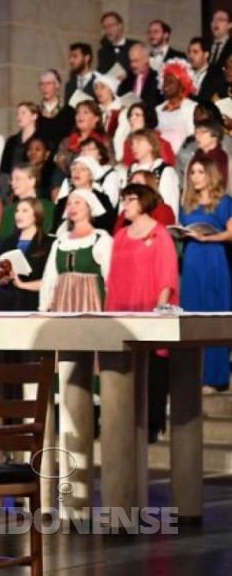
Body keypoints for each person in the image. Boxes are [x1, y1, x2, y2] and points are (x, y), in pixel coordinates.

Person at [105, 183, 179, 442]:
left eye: (131, 199)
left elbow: (167, 276)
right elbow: (113, 278)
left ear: (144, 201)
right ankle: (126, 420)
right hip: (124, 308)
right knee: (126, 369)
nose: (125, 205)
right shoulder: (122, 236)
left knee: (153, 369)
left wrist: (158, 312)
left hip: (149, 310)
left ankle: (152, 423)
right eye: (124, 199)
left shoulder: (160, 234)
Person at [177, 158, 232, 393]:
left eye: (200, 172)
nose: (196, 177)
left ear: (210, 174)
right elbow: (183, 228)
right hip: (192, 260)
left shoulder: (224, 201)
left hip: (214, 259)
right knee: (191, 314)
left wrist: (208, 238)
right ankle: (193, 377)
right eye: (192, 172)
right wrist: (181, 234)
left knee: (213, 314)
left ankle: (215, 377)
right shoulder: (187, 203)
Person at [124, 129, 181, 218]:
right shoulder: (131, 170)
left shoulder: (165, 171)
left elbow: (170, 205)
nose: (133, 146)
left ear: (151, 145)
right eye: (132, 143)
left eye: (138, 142)